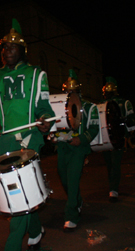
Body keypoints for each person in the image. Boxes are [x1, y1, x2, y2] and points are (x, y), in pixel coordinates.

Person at [0, 18, 55, 251]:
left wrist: (45, 122)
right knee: (20, 190)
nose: (7, 51)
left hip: (30, 138)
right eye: (4, 47)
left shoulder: (36, 74)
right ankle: (35, 230)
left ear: (23, 50)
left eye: (12, 47)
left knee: (17, 191)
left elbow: (44, 107)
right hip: (5, 140)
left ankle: (12, 245)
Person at [49, 70, 99, 232]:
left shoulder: (90, 107)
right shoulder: (59, 107)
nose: (70, 93)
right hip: (63, 147)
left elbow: (94, 128)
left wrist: (81, 139)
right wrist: (53, 135)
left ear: (78, 91)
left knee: (73, 179)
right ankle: (77, 199)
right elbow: (55, 125)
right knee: (63, 177)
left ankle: (71, 215)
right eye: (68, 91)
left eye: (73, 91)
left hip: (79, 148)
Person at [101, 77, 135, 202]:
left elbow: (130, 118)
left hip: (117, 136)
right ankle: (113, 187)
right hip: (106, 136)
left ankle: (113, 189)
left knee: (114, 163)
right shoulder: (101, 103)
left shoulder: (124, 102)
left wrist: (128, 133)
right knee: (110, 164)